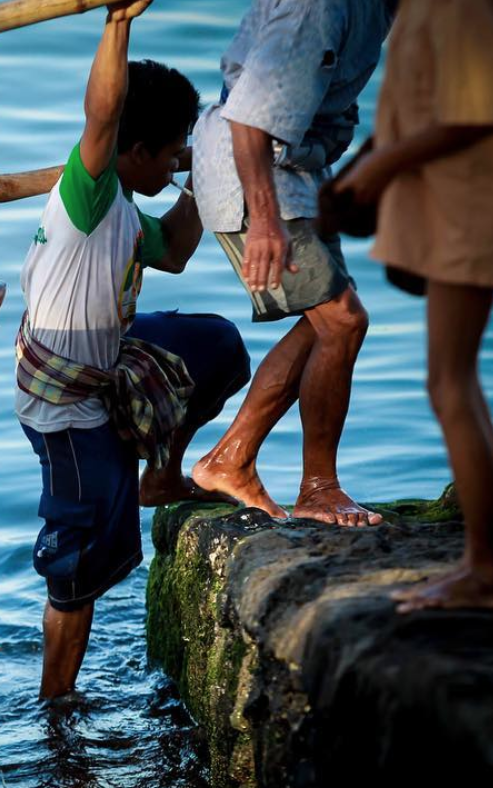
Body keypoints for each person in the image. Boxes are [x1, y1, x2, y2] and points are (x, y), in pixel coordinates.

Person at [16, 0, 249, 700]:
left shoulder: (121, 212)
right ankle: (56, 705)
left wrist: (210, 164)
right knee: (77, 570)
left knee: (218, 348)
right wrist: (117, 23)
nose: (176, 165)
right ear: (136, 150)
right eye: (171, 149)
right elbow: (104, 116)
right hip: (66, 406)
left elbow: (176, 250)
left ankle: (163, 475)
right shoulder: (89, 193)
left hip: (106, 360)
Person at [189, 0, 396, 526]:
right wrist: (263, 219)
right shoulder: (319, 7)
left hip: (298, 177)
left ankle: (229, 459)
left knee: (321, 325)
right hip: (255, 176)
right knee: (344, 322)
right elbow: (250, 119)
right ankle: (319, 489)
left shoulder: (378, 9)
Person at [333, 0, 493, 611]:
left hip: (468, 209)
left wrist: (377, 169)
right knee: (453, 382)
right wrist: (368, 160)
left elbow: (473, 115)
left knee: (449, 383)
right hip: (453, 207)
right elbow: (418, 105)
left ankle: (484, 566)